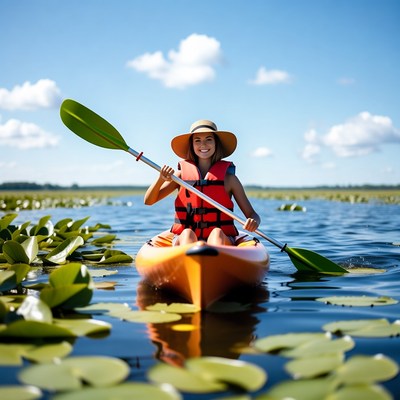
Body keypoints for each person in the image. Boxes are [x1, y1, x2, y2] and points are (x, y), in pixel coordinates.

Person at [144, 119, 261, 246]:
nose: (203, 145)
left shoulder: (230, 179)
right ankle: (190, 258)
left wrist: (253, 221)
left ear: (216, 143)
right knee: (187, 233)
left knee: (217, 233)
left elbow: (252, 214)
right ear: (192, 145)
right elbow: (149, 201)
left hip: (221, 240)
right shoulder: (180, 176)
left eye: (209, 139)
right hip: (185, 239)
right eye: (197, 140)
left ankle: (214, 258)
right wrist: (160, 179)